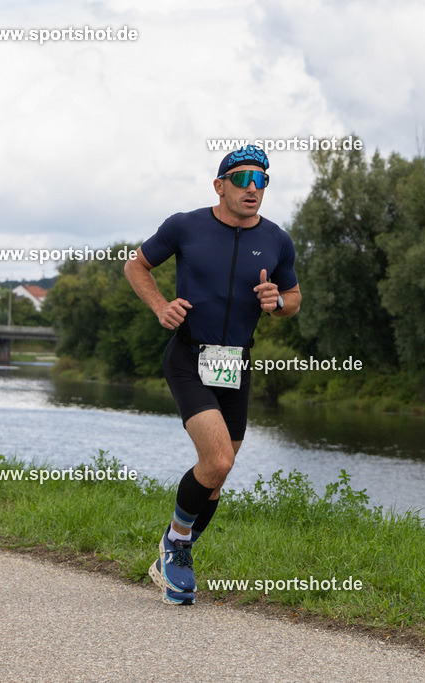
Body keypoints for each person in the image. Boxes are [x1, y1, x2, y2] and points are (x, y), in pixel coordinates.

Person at [123, 145, 302, 605]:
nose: (252, 188)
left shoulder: (278, 240)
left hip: (236, 363)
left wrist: (278, 302)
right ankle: (175, 545)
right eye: (242, 179)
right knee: (218, 460)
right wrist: (160, 306)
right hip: (188, 356)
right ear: (219, 185)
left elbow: (294, 298)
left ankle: (175, 556)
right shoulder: (185, 226)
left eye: (261, 180)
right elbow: (136, 265)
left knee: (215, 479)